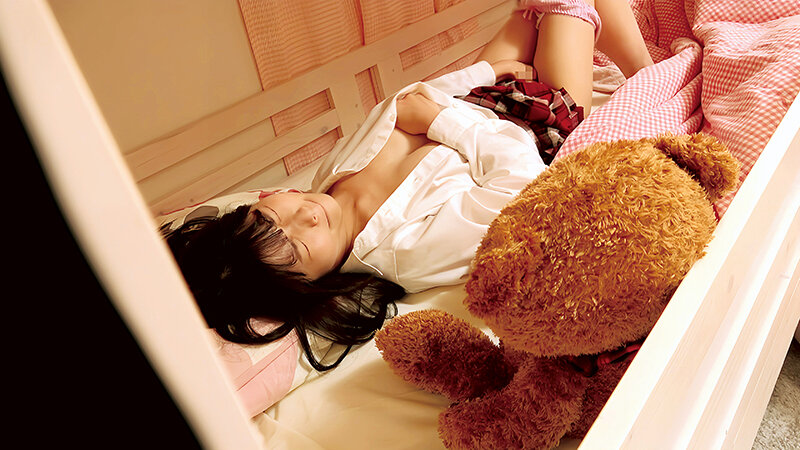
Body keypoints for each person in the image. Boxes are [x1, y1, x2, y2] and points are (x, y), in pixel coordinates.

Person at [163, 0, 653, 371]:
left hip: (476, 97)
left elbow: (409, 100)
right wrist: (439, 121)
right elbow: (521, 186)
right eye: (298, 246)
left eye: (274, 215)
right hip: (533, 123)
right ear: (308, 284)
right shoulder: (403, 251)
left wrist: (484, 73)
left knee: (533, 5)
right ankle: (651, 74)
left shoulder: (328, 180)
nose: (305, 215)